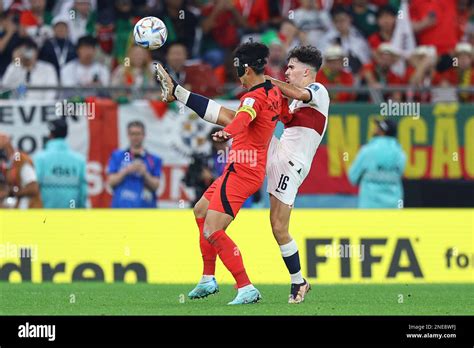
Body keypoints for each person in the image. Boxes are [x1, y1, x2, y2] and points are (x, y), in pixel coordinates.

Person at [157, 44, 329, 304]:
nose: (287, 71)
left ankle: (286, 282)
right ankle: (208, 278)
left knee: (277, 227)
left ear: (307, 72)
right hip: (272, 153)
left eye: (291, 67)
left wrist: (263, 80)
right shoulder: (276, 96)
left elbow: (288, 97)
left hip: (290, 163)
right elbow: (258, 113)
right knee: (202, 210)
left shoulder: (316, 90)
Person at [348, 119, 407, 208]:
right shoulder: (401, 154)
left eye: (377, 128)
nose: (374, 129)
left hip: (370, 208)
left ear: (382, 132)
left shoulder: (367, 151)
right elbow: (400, 174)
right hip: (393, 208)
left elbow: (353, 176)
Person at [33, 118, 88, 209]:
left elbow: (34, 187)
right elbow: (83, 192)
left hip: (45, 217)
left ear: (50, 135)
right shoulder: (79, 160)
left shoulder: (40, 158)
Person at [107, 121, 162, 208]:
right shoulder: (117, 156)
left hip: (146, 212)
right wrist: (126, 170)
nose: (135, 137)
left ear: (144, 135)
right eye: (132, 134)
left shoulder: (154, 159)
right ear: (128, 135)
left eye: (138, 134)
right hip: (121, 210)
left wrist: (145, 173)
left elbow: (156, 186)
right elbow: (110, 182)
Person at [0, 133, 42, 209]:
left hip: (29, 211)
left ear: (8, 147)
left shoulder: (21, 160)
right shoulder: (6, 164)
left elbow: (33, 188)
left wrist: (12, 193)